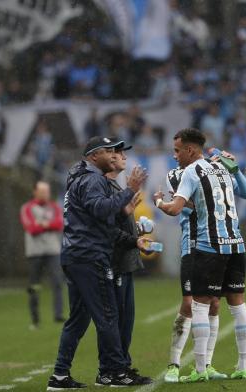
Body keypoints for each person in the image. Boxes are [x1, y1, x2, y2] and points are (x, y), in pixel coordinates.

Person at [47, 136, 150, 390]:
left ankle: (60, 375)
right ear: (94, 156)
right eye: (108, 151)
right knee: (108, 315)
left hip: (76, 255)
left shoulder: (79, 178)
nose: (114, 155)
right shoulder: (93, 179)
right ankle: (113, 372)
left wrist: (130, 237)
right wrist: (130, 190)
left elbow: (101, 222)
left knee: (79, 319)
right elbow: (101, 210)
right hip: (90, 256)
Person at [153, 128, 246, 382]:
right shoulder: (216, 168)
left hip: (206, 245)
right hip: (230, 243)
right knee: (214, 303)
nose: (174, 156)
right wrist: (233, 168)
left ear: (189, 149)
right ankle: (178, 363)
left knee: (203, 304)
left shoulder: (190, 172)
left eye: (177, 150)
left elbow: (178, 208)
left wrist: (159, 203)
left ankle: (202, 367)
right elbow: (245, 193)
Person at [105, 137, 152, 385]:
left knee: (125, 319)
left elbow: (118, 222)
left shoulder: (115, 187)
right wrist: (133, 240)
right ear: (107, 157)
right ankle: (113, 370)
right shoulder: (106, 186)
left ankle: (120, 366)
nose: (124, 157)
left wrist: (137, 232)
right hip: (115, 262)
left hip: (125, 261)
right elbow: (107, 227)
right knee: (117, 319)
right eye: (119, 153)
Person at [20, 181, 65, 328]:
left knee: (58, 282)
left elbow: (59, 225)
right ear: (35, 192)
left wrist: (42, 224)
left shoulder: (55, 207)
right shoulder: (27, 208)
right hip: (35, 251)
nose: (46, 194)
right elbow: (31, 228)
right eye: (42, 191)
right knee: (34, 285)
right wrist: (47, 225)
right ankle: (35, 319)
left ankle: (58, 315)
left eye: (47, 191)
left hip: (53, 250)